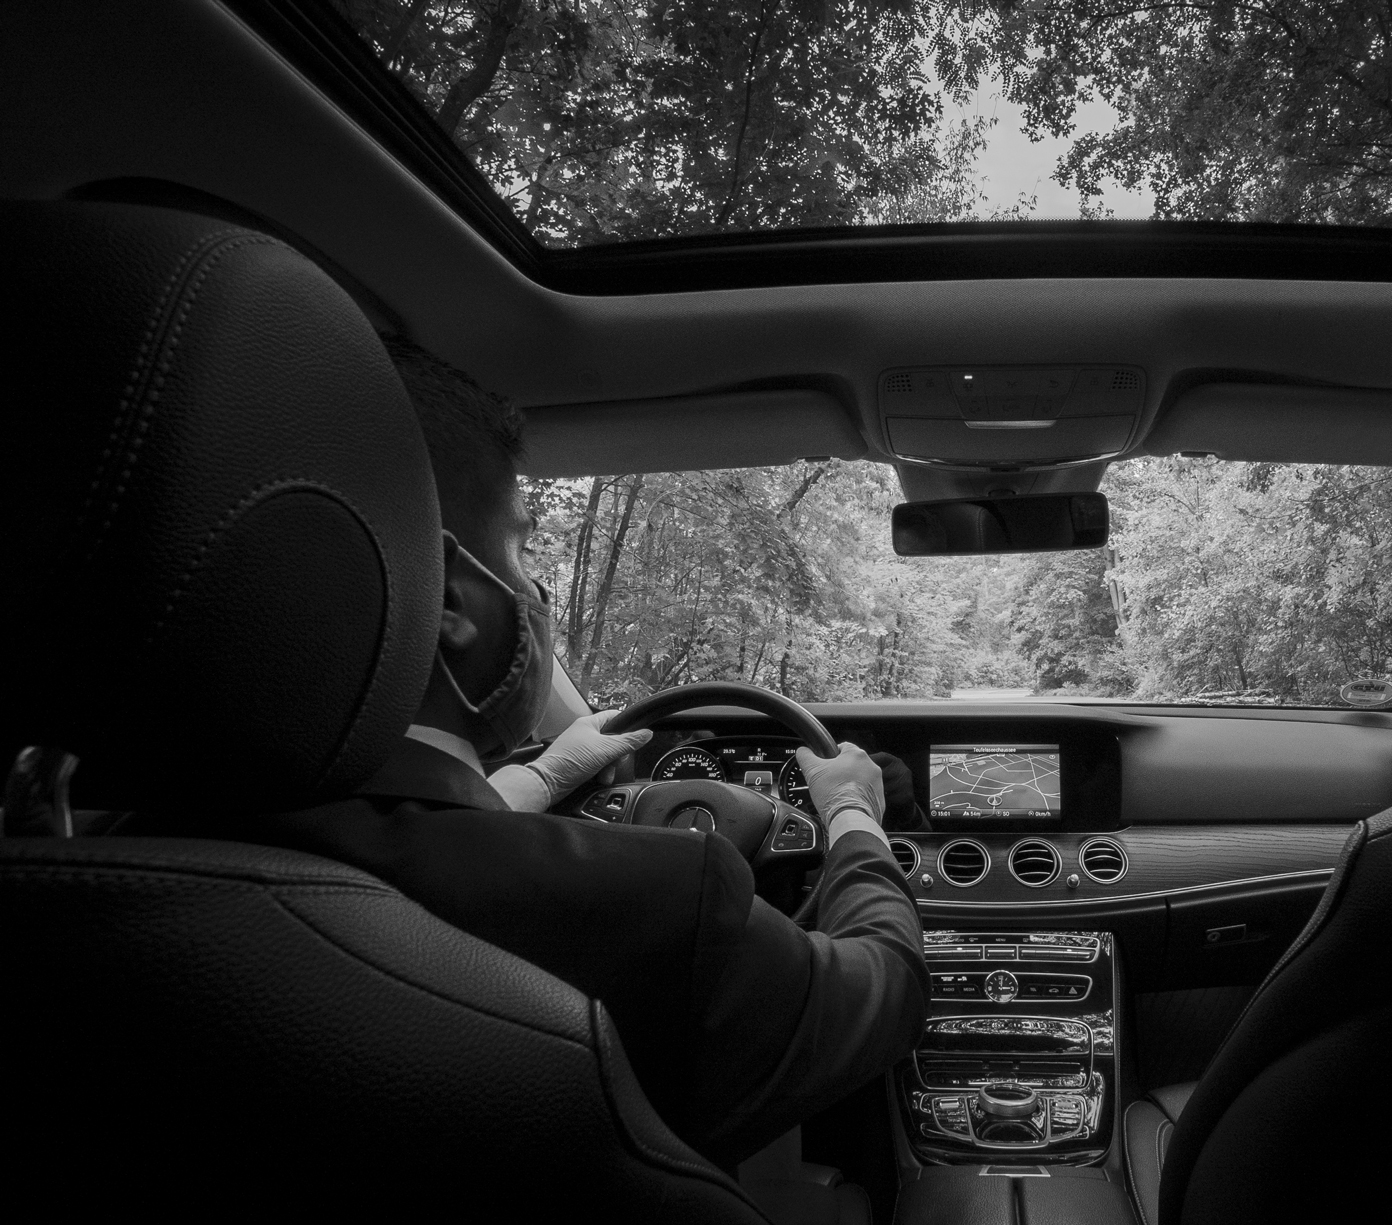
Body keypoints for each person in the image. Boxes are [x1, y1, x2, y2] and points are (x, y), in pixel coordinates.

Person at [134, 337, 928, 1171]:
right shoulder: (657, 904)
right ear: (450, 597)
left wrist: (548, 772)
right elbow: (886, 990)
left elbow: (402, 847)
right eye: (521, 552)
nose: (535, 593)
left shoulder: (99, 846)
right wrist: (849, 814)